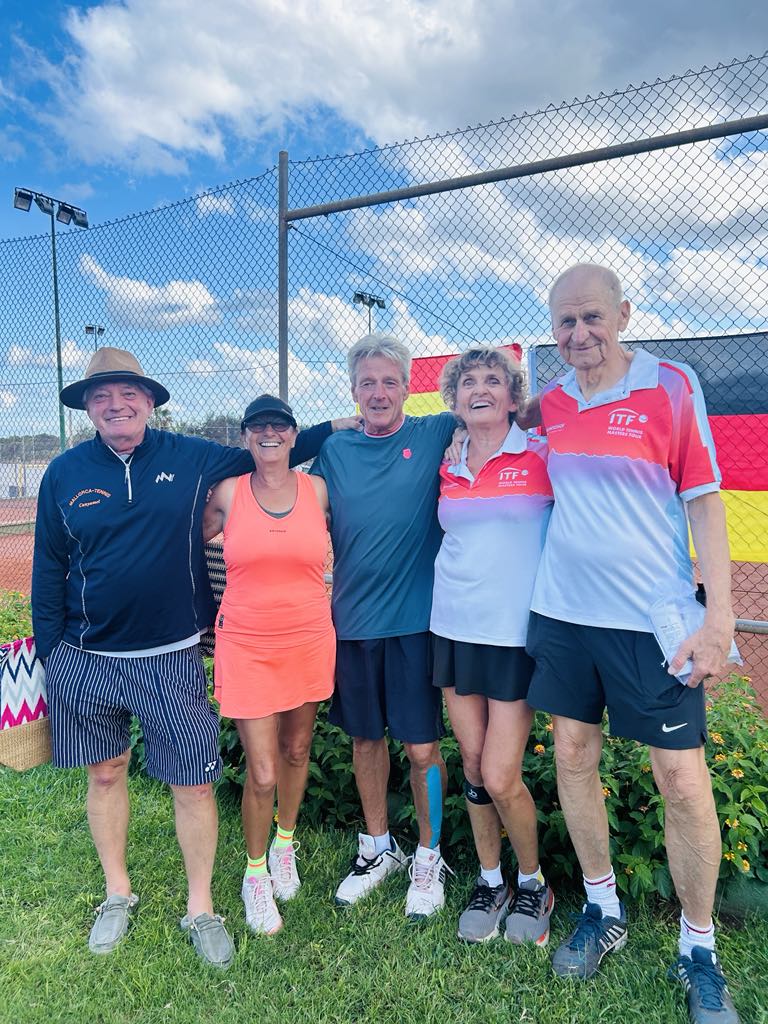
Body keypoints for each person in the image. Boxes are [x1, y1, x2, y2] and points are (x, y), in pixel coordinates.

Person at [31, 348, 359, 968]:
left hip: (173, 653)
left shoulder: (189, 456)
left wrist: (343, 424)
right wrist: (51, 650)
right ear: (88, 406)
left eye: (128, 393)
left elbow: (270, 448)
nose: (116, 405)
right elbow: (49, 564)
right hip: (86, 654)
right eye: (102, 396)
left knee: (194, 782)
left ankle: (202, 906)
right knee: (106, 774)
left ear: (149, 401)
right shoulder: (63, 473)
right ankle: (117, 893)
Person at [526, 265, 740, 1024]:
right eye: (565, 322)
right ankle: (602, 907)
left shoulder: (671, 385)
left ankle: (699, 946)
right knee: (572, 754)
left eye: (592, 317)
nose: (579, 333)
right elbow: (497, 426)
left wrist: (719, 622)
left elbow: (705, 502)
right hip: (563, 614)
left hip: (652, 620)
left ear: (622, 313)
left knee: (680, 779)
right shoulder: (551, 401)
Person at [310, 334, 457, 920]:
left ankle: (429, 853)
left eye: (389, 382)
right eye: (367, 383)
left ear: (407, 387)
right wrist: (329, 425)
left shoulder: (433, 432)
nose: (378, 393)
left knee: (422, 748)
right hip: (352, 623)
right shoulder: (335, 450)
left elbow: (500, 410)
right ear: (353, 390)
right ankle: (378, 848)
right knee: (365, 740)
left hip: (416, 625)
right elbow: (279, 463)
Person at [430, 345, 554, 945]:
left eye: (493, 381)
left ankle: (533, 882)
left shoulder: (541, 454)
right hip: (453, 629)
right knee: (474, 765)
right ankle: (490, 880)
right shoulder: (447, 461)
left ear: (512, 396)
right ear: (454, 400)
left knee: (502, 774)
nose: (479, 389)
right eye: (468, 382)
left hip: (514, 636)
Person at [202, 395, 334, 936]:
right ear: (245, 438)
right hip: (247, 645)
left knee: (297, 750)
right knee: (261, 772)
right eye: (258, 427)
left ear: (295, 435)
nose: (269, 433)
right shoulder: (228, 494)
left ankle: (285, 844)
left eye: (279, 425)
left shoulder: (318, 490)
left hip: (308, 638)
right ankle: (254, 874)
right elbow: (177, 542)